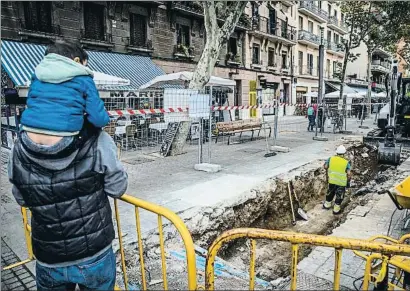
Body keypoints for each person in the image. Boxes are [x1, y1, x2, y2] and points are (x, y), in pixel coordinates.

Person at [8, 121, 128, 290]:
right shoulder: (97, 139)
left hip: (49, 255)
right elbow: (117, 188)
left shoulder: (19, 147)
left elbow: (22, 199)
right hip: (94, 254)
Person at [20, 39, 109, 141]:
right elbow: (99, 119)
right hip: (64, 139)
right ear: (76, 61)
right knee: (103, 139)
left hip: (27, 136)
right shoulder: (84, 78)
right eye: (85, 65)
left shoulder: (37, 75)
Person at [323, 145, 351, 215]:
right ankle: (336, 209)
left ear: (337, 152)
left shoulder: (331, 159)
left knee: (330, 192)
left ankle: (327, 205)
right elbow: (349, 173)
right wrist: (348, 181)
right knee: (339, 195)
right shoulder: (346, 162)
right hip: (341, 183)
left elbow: (325, 167)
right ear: (344, 154)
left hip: (332, 181)